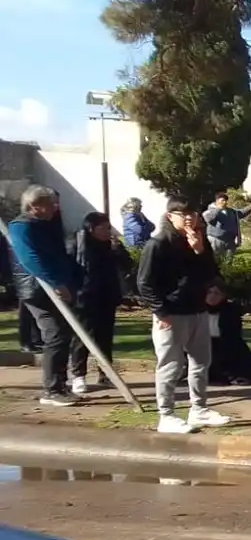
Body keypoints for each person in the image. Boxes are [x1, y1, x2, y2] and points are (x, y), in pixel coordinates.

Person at [138, 199, 230, 433]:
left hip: (197, 310)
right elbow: (144, 283)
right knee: (170, 365)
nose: (189, 218)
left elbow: (211, 272)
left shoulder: (199, 239)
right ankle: (166, 414)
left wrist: (199, 250)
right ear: (170, 216)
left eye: (192, 213)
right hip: (171, 313)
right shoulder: (158, 244)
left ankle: (199, 409)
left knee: (200, 362)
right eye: (182, 214)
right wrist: (160, 311)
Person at [6, 185, 78, 406]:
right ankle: (52, 390)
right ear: (34, 206)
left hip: (56, 286)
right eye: (49, 205)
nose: (55, 209)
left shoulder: (45, 225)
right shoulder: (22, 227)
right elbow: (30, 259)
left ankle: (60, 384)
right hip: (38, 289)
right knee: (54, 334)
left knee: (63, 335)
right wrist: (55, 283)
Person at [67, 212, 126, 396]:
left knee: (105, 337)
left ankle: (105, 374)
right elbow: (70, 267)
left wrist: (118, 250)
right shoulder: (77, 243)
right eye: (103, 228)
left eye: (109, 227)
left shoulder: (111, 245)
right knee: (82, 337)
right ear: (91, 229)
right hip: (84, 297)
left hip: (106, 296)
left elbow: (127, 264)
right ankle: (78, 375)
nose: (108, 232)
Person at [205, 282, 251, 385]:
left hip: (225, 344)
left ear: (223, 295)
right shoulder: (198, 310)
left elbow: (233, 334)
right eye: (209, 292)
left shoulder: (230, 310)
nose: (212, 296)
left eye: (217, 293)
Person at [202, 192, 247, 261]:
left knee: (229, 261)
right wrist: (218, 209)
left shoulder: (231, 211)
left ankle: (228, 271)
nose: (224, 202)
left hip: (230, 240)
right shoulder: (210, 210)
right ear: (217, 201)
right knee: (217, 260)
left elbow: (241, 213)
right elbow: (208, 219)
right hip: (216, 239)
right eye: (222, 200)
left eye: (226, 200)